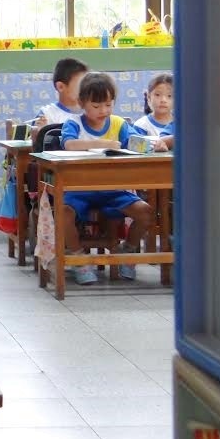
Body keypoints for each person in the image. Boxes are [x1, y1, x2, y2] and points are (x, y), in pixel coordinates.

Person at [60, 72, 163, 285]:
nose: (104, 111)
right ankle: (79, 258)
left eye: (108, 105)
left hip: (114, 190)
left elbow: (137, 142)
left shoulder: (119, 124)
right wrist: (104, 144)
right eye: (96, 106)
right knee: (63, 213)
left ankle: (128, 251)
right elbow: (69, 145)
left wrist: (155, 144)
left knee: (145, 213)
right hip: (79, 189)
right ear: (81, 103)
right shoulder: (73, 124)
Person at [30, 58, 88, 140]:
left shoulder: (91, 111)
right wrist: (41, 132)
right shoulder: (47, 115)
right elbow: (34, 147)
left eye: (87, 83)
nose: (86, 88)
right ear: (60, 87)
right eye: (81, 84)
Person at [132, 73, 174, 149]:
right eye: (157, 95)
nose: (163, 100)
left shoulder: (182, 123)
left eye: (169, 96)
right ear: (148, 97)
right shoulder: (141, 126)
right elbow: (136, 150)